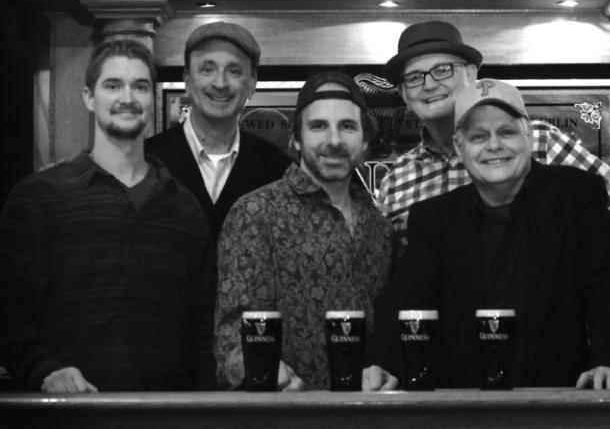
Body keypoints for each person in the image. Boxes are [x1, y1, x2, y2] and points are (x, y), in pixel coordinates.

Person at [364, 79, 610, 390]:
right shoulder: (434, 218)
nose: (494, 145)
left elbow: (607, 287)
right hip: (466, 403)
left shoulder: (577, 194)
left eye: (506, 132)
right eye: (478, 136)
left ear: (528, 135)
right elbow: (407, 299)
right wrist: (383, 364)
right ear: (459, 147)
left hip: (558, 398)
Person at [0, 40, 216, 392]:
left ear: (152, 98)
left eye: (140, 87)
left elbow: (204, 332)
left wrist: (205, 409)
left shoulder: (186, 209)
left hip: (170, 412)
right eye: (113, 85)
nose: (127, 98)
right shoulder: (38, 198)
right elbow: (8, 310)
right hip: (70, 411)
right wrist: (44, 370)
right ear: (89, 97)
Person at [378, 20, 610, 252]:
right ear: (403, 94)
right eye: (414, 77)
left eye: (442, 70)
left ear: (471, 74)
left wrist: (576, 272)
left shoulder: (539, 142)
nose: (428, 84)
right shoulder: (397, 179)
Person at [214, 71, 393, 391]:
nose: (334, 140)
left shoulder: (378, 225)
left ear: (365, 140)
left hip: (363, 410)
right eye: (318, 126)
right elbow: (230, 338)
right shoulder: (257, 212)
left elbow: (383, 332)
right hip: (285, 411)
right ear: (296, 138)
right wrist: (260, 369)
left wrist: (385, 372)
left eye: (347, 126)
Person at [146, 21, 292, 237]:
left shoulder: (278, 169)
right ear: (187, 79)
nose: (220, 83)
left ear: (252, 83)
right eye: (207, 69)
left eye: (234, 71)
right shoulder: (146, 161)